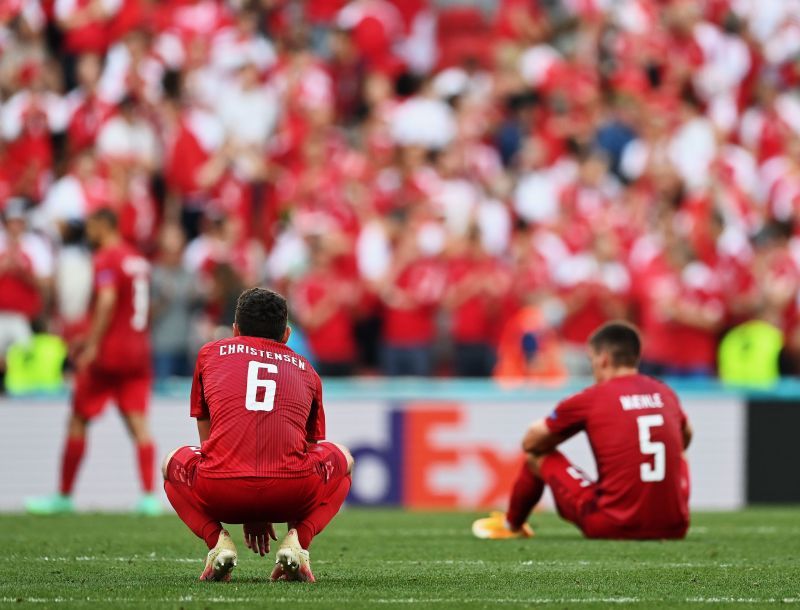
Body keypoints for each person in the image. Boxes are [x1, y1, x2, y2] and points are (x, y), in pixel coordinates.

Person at [162, 287, 354, 583]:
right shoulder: (307, 370)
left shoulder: (209, 354)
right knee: (344, 458)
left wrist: (246, 497)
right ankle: (298, 543)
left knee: (170, 463)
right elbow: (308, 448)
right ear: (287, 335)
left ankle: (217, 543)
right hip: (290, 491)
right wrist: (263, 505)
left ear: (236, 329)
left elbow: (206, 432)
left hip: (220, 490)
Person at [473, 321, 692, 540]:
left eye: (592, 360)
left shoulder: (592, 398)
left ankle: (512, 525)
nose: (593, 368)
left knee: (537, 455)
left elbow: (531, 442)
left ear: (604, 358)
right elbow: (686, 435)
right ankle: (664, 514)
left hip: (611, 525)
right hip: (675, 527)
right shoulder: (665, 392)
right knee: (679, 453)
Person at [26, 208, 159, 515]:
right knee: (138, 422)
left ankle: (64, 496)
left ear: (104, 225)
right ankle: (149, 497)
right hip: (138, 350)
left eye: (91, 226)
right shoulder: (137, 259)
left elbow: (108, 300)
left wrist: (92, 344)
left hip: (109, 353)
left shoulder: (106, 258)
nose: (88, 233)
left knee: (78, 418)